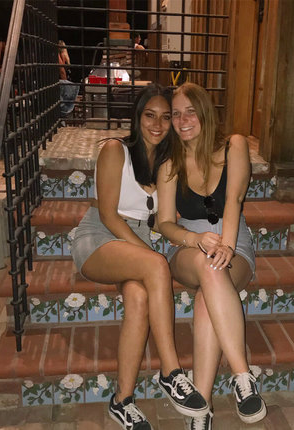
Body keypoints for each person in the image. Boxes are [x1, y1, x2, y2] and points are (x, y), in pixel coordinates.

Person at [71, 83, 208, 430]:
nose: (157, 124)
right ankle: (171, 371)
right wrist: (148, 254)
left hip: (137, 241)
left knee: (138, 298)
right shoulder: (115, 150)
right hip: (100, 237)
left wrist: (192, 238)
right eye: (150, 115)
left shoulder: (166, 163)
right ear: (137, 117)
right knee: (155, 264)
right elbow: (108, 215)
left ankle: (122, 400)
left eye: (165, 117)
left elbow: (161, 221)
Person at [157, 82, 267, 429]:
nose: (182, 120)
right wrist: (194, 239)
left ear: (205, 112)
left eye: (190, 111)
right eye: (176, 114)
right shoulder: (170, 163)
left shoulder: (234, 146)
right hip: (188, 247)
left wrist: (227, 246)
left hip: (235, 240)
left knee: (209, 292)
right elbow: (164, 223)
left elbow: (234, 199)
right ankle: (243, 376)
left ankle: (200, 410)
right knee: (208, 267)